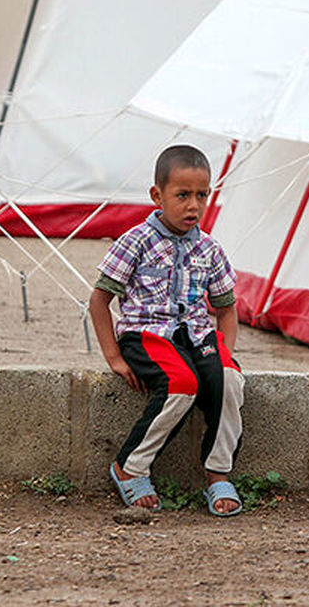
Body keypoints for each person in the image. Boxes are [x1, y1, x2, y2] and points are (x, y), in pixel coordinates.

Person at [88, 144, 245, 517]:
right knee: (181, 384)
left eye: (202, 195)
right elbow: (99, 301)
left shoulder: (210, 249)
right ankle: (131, 466)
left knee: (230, 378)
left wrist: (223, 353)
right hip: (146, 336)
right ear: (157, 196)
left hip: (196, 337)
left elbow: (226, 310)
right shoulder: (136, 242)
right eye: (182, 195)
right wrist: (113, 356)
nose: (193, 205)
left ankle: (217, 471)